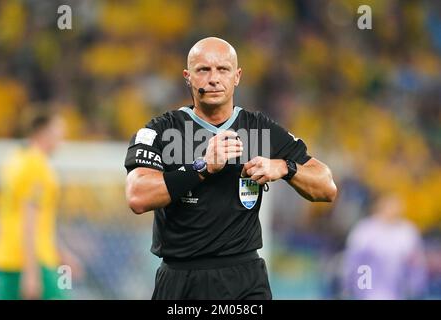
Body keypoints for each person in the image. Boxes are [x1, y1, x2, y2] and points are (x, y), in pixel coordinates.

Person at [124, 37, 337, 300]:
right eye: (203, 70)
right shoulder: (162, 130)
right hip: (181, 279)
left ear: (237, 76)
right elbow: (137, 196)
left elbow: (327, 186)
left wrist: (285, 167)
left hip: (244, 280)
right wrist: (202, 166)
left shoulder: (259, 130)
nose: (214, 79)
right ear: (187, 76)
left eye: (222, 69)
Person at [0, 111, 81, 300]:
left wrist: (61, 253)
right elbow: (29, 218)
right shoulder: (36, 166)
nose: (62, 139)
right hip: (30, 260)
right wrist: (31, 272)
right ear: (43, 132)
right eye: (59, 132)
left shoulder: (16, 159)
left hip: (8, 256)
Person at [342, 194, 427, 299]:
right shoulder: (364, 230)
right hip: (370, 291)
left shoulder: (408, 231)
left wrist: (413, 288)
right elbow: (355, 263)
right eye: (390, 205)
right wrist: (360, 289)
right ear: (380, 206)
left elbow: (416, 264)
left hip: (398, 291)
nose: (394, 209)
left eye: (397, 205)